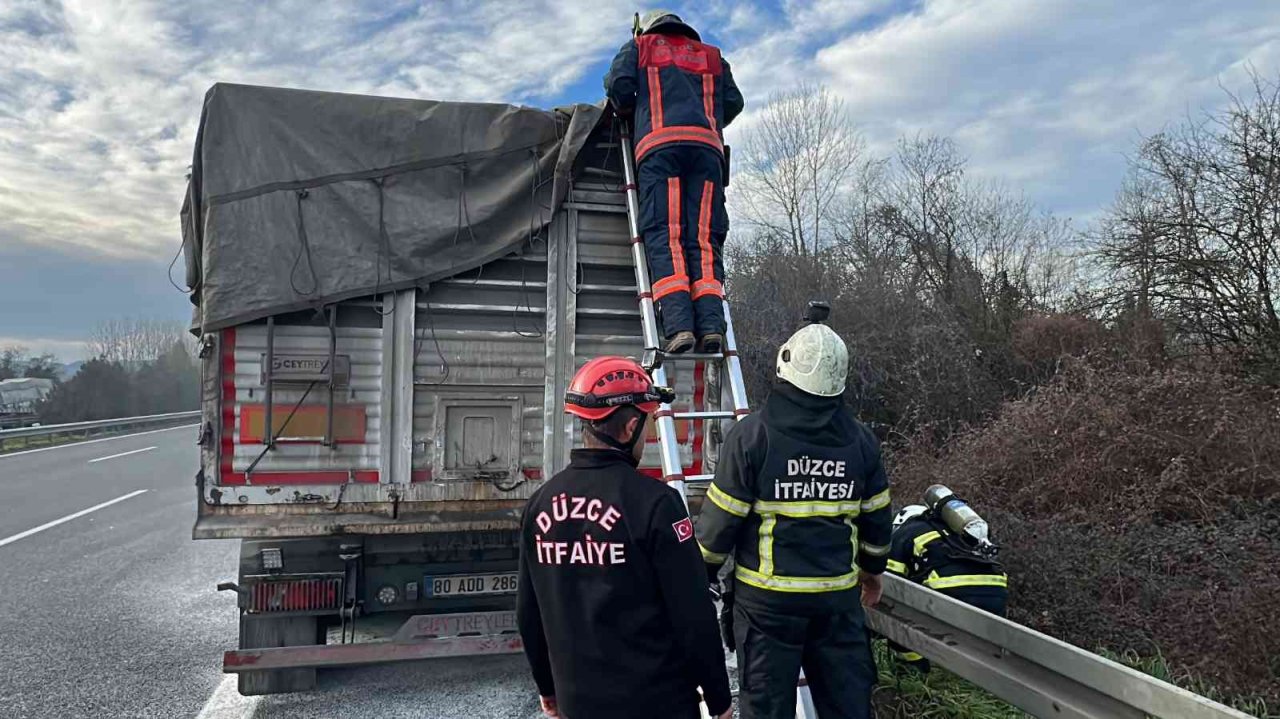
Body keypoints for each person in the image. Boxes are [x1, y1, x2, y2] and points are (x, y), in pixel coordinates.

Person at [695, 316, 892, 719]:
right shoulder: (861, 441)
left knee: (766, 710)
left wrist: (698, 578)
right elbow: (877, 522)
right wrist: (872, 571)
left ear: (785, 366)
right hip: (836, 605)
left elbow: (718, 528)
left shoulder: (752, 436)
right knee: (847, 706)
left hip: (767, 610)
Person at [516, 356, 732, 719]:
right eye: (646, 422)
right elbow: (693, 613)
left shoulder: (540, 504)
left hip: (579, 705)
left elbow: (528, 612)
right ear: (630, 425)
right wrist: (719, 698)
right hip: (657, 703)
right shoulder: (656, 503)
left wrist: (548, 689)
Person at [604, 10, 745, 355]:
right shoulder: (712, 57)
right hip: (708, 153)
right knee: (703, 238)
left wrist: (636, 112)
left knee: (667, 235)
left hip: (660, 149)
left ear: (649, 28)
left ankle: (680, 326)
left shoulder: (639, 46)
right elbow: (733, 102)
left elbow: (619, 88)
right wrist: (701, 114)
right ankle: (712, 326)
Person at [885, 501, 1009, 672]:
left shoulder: (906, 531)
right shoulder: (956, 533)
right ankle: (970, 672)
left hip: (949, 592)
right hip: (996, 592)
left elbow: (890, 581)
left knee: (898, 611)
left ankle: (913, 669)